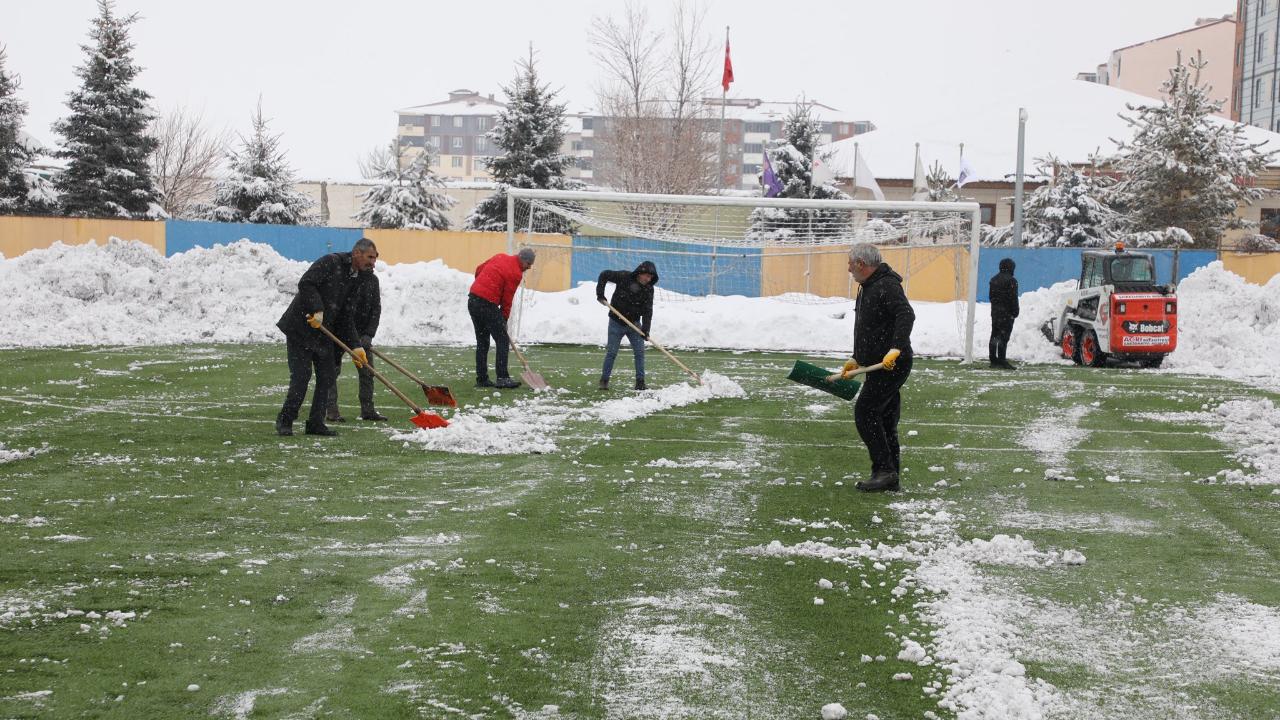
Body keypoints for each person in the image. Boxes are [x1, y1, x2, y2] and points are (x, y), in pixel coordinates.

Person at [275, 238, 378, 436]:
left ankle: (315, 423)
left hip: (324, 334)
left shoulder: (356, 277)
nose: (373, 263)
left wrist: (356, 346)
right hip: (301, 329)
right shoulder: (331, 262)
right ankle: (285, 420)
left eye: (375, 258)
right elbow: (306, 283)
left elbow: (346, 313)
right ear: (357, 253)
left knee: (327, 377)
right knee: (301, 377)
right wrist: (317, 309)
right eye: (370, 257)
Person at [844, 244, 915, 492]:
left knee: (865, 412)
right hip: (876, 366)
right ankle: (889, 474)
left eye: (851, 264)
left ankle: (884, 470)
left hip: (892, 364)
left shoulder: (886, 285)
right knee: (885, 419)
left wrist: (896, 348)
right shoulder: (868, 287)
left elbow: (906, 314)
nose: (849, 268)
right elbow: (869, 327)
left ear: (862, 264)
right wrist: (856, 358)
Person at [468, 247, 535, 389]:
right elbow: (507, 299)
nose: (529, 267)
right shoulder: (515, 273)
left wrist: (482, 286)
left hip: (473, 299)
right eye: (528, 264)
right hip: (487, 304)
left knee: (482, 341)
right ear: (523, 260)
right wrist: (504, 318)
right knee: (502, 339)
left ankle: (482, 379)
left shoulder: (500, 256)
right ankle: (502, 378)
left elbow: (479, 269)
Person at [326, 264, 386, 422]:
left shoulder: (373, 280)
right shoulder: (347, 278)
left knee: (367, 372)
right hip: (339, 332)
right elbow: (341, 308)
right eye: (369, 259)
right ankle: (331, 410)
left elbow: (375, 309)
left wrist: (368, 334)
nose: (372, 264)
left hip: (362, 335)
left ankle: (368, 410)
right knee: (332, 372)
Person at [596, 261, 658, 391]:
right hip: (616, 322)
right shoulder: (624, 277)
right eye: (646, 276)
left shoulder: (649, 289)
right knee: (612, 352)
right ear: (639, 273)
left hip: (634, 325)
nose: (648, 279)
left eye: (650, 277)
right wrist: (600, 294)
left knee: (640, 353)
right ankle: (604, 380)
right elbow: (604, 275)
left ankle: (640, 382)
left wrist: (646, 329)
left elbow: (648, 310)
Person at [988, 258, 1020, 370]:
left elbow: (991, 297)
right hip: (1007, 314)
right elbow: (1013, 299)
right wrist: (1015, 312)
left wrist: (997, 308)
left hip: (995, 313)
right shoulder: (1012, 281)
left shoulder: (993, 280)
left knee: (994, 335)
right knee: (1004, 337)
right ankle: (1002, 360)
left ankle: (993, 359)